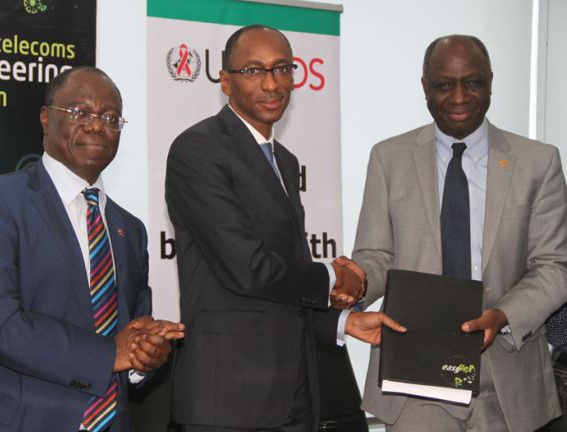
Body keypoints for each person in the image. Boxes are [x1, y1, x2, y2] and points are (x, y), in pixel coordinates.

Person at [165, 24, 405, 431]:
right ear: (225, 81)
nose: (272, 83)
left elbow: (283, 285)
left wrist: (342, 323)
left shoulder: (286, 162)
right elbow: (248, 268)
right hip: (228, 398)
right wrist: (334, 277)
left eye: (282, 69)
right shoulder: (198, 149)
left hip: (293, 392)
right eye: (253, 70)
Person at [0, 66, 184, 432]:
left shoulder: (130, 229)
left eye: (110, 118)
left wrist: (145, 358)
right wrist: (110, 354)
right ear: (46, 118)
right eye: (80, 112)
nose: (97, 126)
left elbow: (132, 334)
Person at [351, 35, 567, 431]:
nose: (459, 97)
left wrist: (504, 315)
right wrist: (355, 282)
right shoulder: (389, 158)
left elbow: (554, 266)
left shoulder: (539, 161)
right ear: (424, 87)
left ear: (491, 81)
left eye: (472, 82)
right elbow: (376, 255)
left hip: (508, 378)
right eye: (443, 85)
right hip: (414, 380)